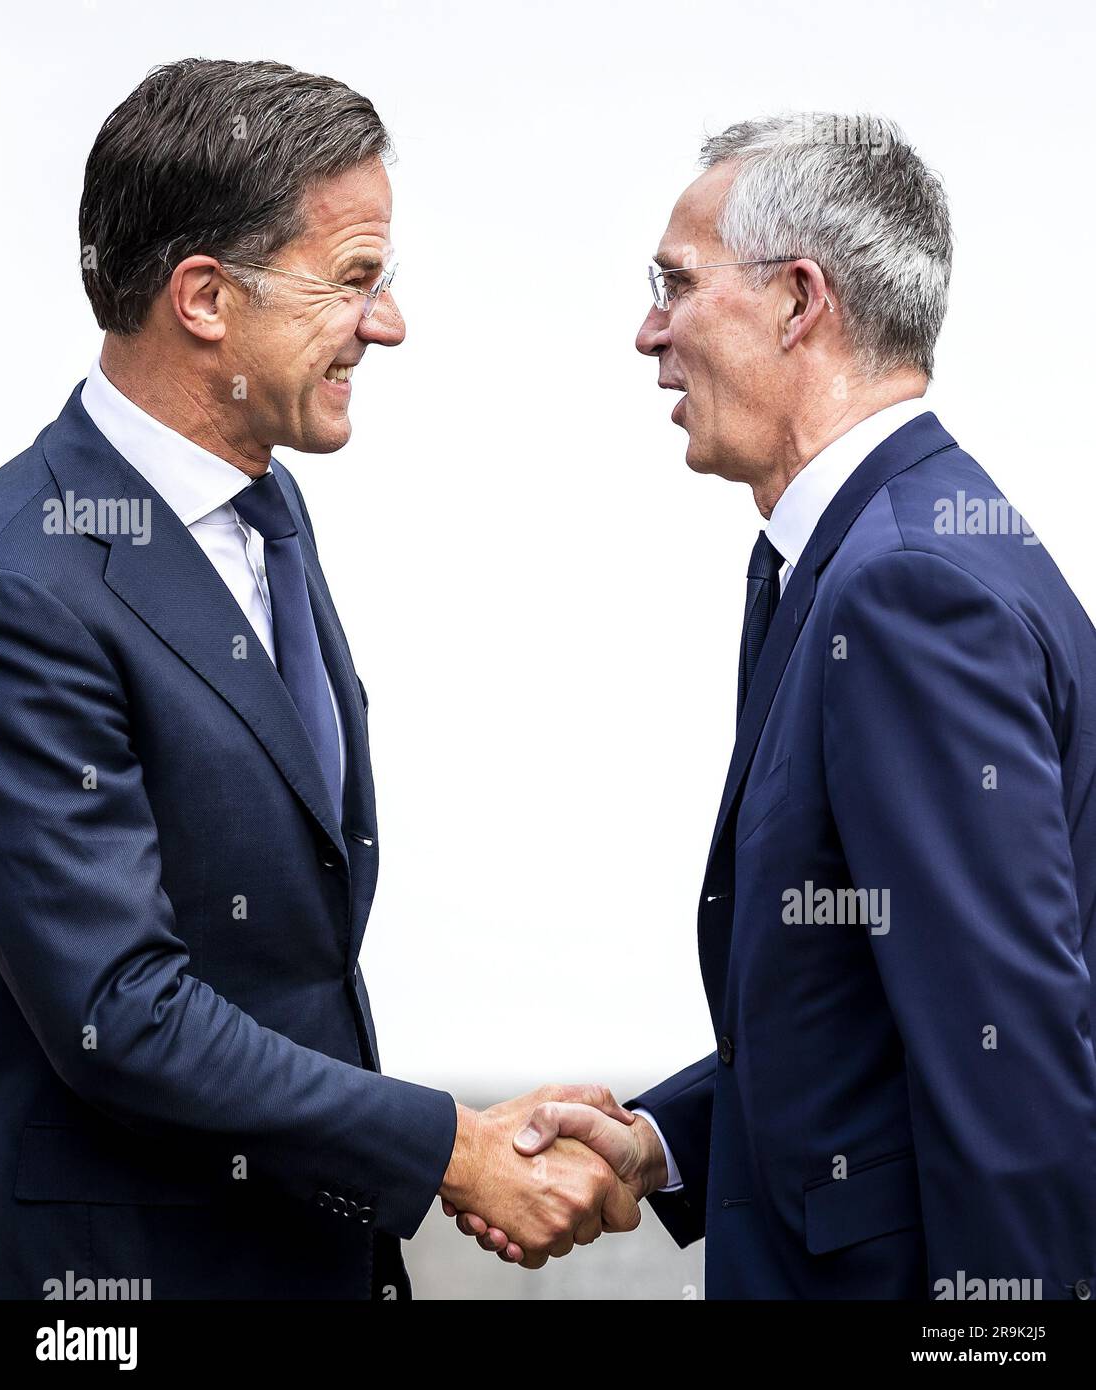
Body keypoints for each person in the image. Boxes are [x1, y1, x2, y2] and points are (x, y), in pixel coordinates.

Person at [0, 57, 639, 1300]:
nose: (386, 323)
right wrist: (451, 1147)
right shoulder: (21, 581)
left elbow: (287, 961)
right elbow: (117, 1006)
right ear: (205, 299)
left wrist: (467, 1138)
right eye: (354, 282)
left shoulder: (264, 509)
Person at [451, 113, 1096, 1301]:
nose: (649, 331)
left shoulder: (908, 587)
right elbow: (870, 997)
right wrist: (666, 1144)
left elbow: (1007, 1053)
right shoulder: (862, 554)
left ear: (800, 300)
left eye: (674, 284)